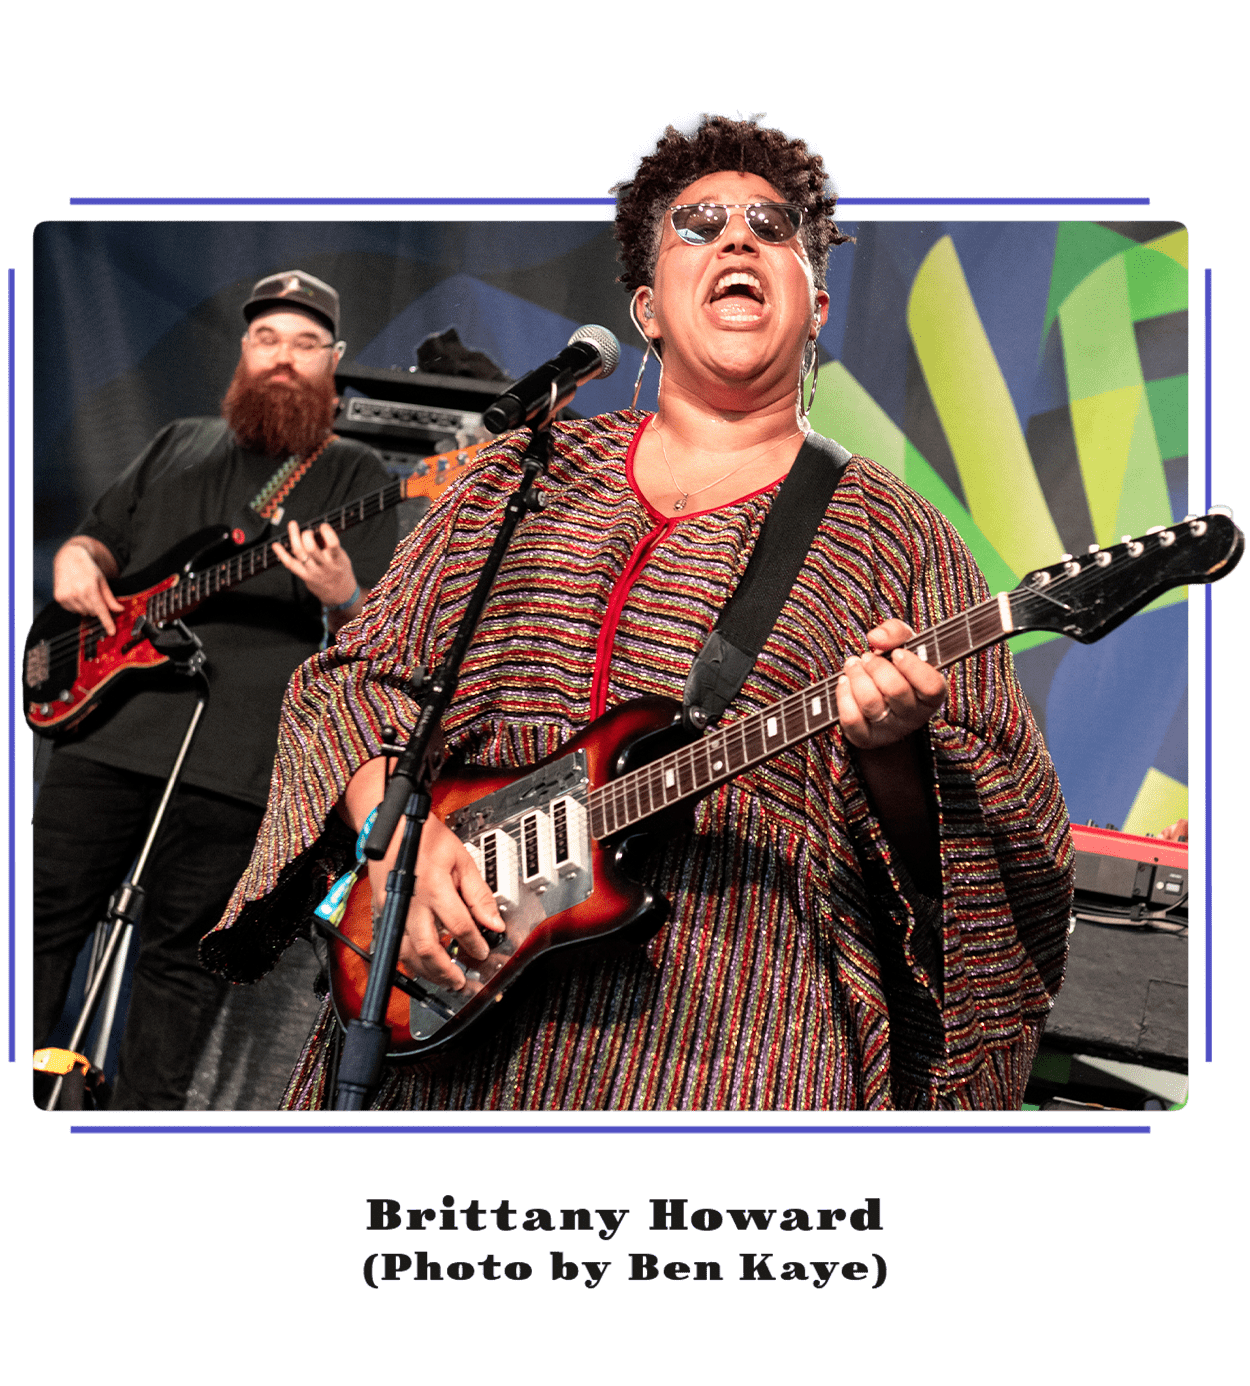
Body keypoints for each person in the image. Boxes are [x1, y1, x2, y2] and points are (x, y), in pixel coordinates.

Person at [204, 117, 1074, 1111]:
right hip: (438, 1016)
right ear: (648, 309)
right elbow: (355, 679)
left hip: (730, 1048)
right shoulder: (515, 475)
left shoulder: (896, 536)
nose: (739, 238)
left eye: (772, 226)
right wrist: (395, 834)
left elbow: (1002, 858)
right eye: (699, 224)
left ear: (817, 303)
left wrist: (893, 751)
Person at [33, 270, 399, 1110]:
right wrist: (76, 560)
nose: (284, 357)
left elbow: (375, 639)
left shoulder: (357, 473)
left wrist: (342, 593)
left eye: (306, 344)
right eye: (268, 338)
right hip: (105, 736)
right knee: (39, 928)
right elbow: (97, 540)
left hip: (235, 766)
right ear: (243, 352)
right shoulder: (178, 443)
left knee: (180, 969)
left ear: (332, 363)